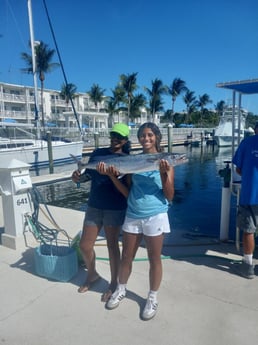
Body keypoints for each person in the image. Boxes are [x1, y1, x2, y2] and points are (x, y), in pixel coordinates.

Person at [105, 122, 174, 320]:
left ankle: (152, 297)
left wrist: (162, 172)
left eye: (150, 135)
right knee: (127, 256)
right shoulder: (133, 161)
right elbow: (128, 192)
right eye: (143, 135)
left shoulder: (166, 161)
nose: (146, 138)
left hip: (156, 214)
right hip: (133, 213)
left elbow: (169, 196)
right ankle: (121, 289)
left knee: (154, 258)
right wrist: (112, 176)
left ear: (157, 137)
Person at [71, 123, 130, 301]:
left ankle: (113, 283)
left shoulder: (128, 160)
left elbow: (127, 189)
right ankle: (93, 274)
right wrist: (77, 178)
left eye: (119, 137)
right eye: (113, 135)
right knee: (85, 245)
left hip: (115, 207)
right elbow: (89, 175)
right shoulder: (98, 153)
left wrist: (113, 175)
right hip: (94, 205)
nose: (115, 139)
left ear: (125, 140)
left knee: (112, 246)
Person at [232, 122, 258, 279]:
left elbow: (238, 169)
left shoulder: (247, 142)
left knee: (249, 230)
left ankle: (248, 266)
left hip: (250, 194)